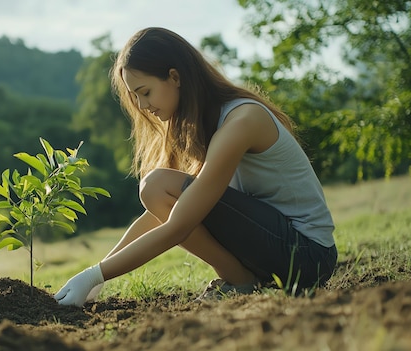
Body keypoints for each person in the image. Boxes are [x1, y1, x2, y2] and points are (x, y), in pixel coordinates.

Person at [54, 27, 337, 307]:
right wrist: (100, 273)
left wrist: (94, 275)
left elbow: (179, 225)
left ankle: (239, 281)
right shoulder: (211, 125)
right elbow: (161, 212)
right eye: (135, 97)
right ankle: (241, 279)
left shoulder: (241, 121)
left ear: (174, 77)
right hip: (281, 248)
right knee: (157, 191)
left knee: (155, 186)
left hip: (307, 256)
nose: (142, 106)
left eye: (145, 92)